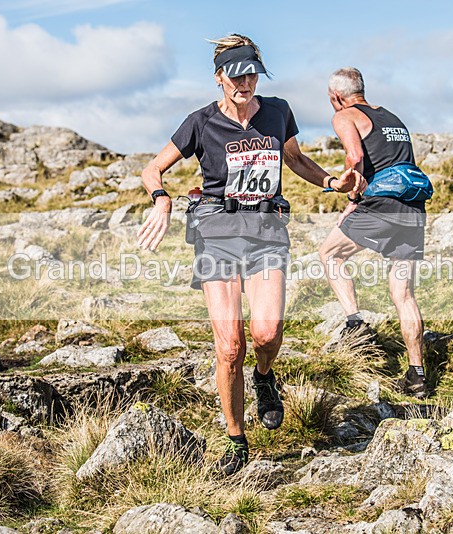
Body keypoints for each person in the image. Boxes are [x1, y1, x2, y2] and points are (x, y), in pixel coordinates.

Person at [138, 35, 364, 475]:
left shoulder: (277, 112)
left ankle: (264, 376)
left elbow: (295, 159)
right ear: (219, 77)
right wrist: (161, 200)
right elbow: (153, 169)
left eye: (251, 74)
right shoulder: (200, 122)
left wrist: (331, 182)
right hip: (217, 235)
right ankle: (236, 440)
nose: (245, 82)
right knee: (229, 347)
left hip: (266, 232)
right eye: (236, 75)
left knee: (266, 333)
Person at [318, 67, 430, 399]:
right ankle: (417, 376)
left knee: (329, 254)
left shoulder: (344, 116)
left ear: (336, 96)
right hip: (413, 206)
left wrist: (352, 200)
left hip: (382, 203)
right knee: (403, 294)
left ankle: (356, 325)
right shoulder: (393, 118)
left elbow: (355, 157)